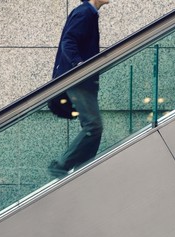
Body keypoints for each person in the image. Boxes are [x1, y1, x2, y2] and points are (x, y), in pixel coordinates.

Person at [48, 0, 110, 177]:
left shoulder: (90, 14)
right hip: (78, 80)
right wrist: (79, 65)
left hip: (84, 79)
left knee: (92, 126)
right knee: (94, 125)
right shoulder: (84, 13)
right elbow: (68, 41)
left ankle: (83, 171)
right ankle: (61, 165)